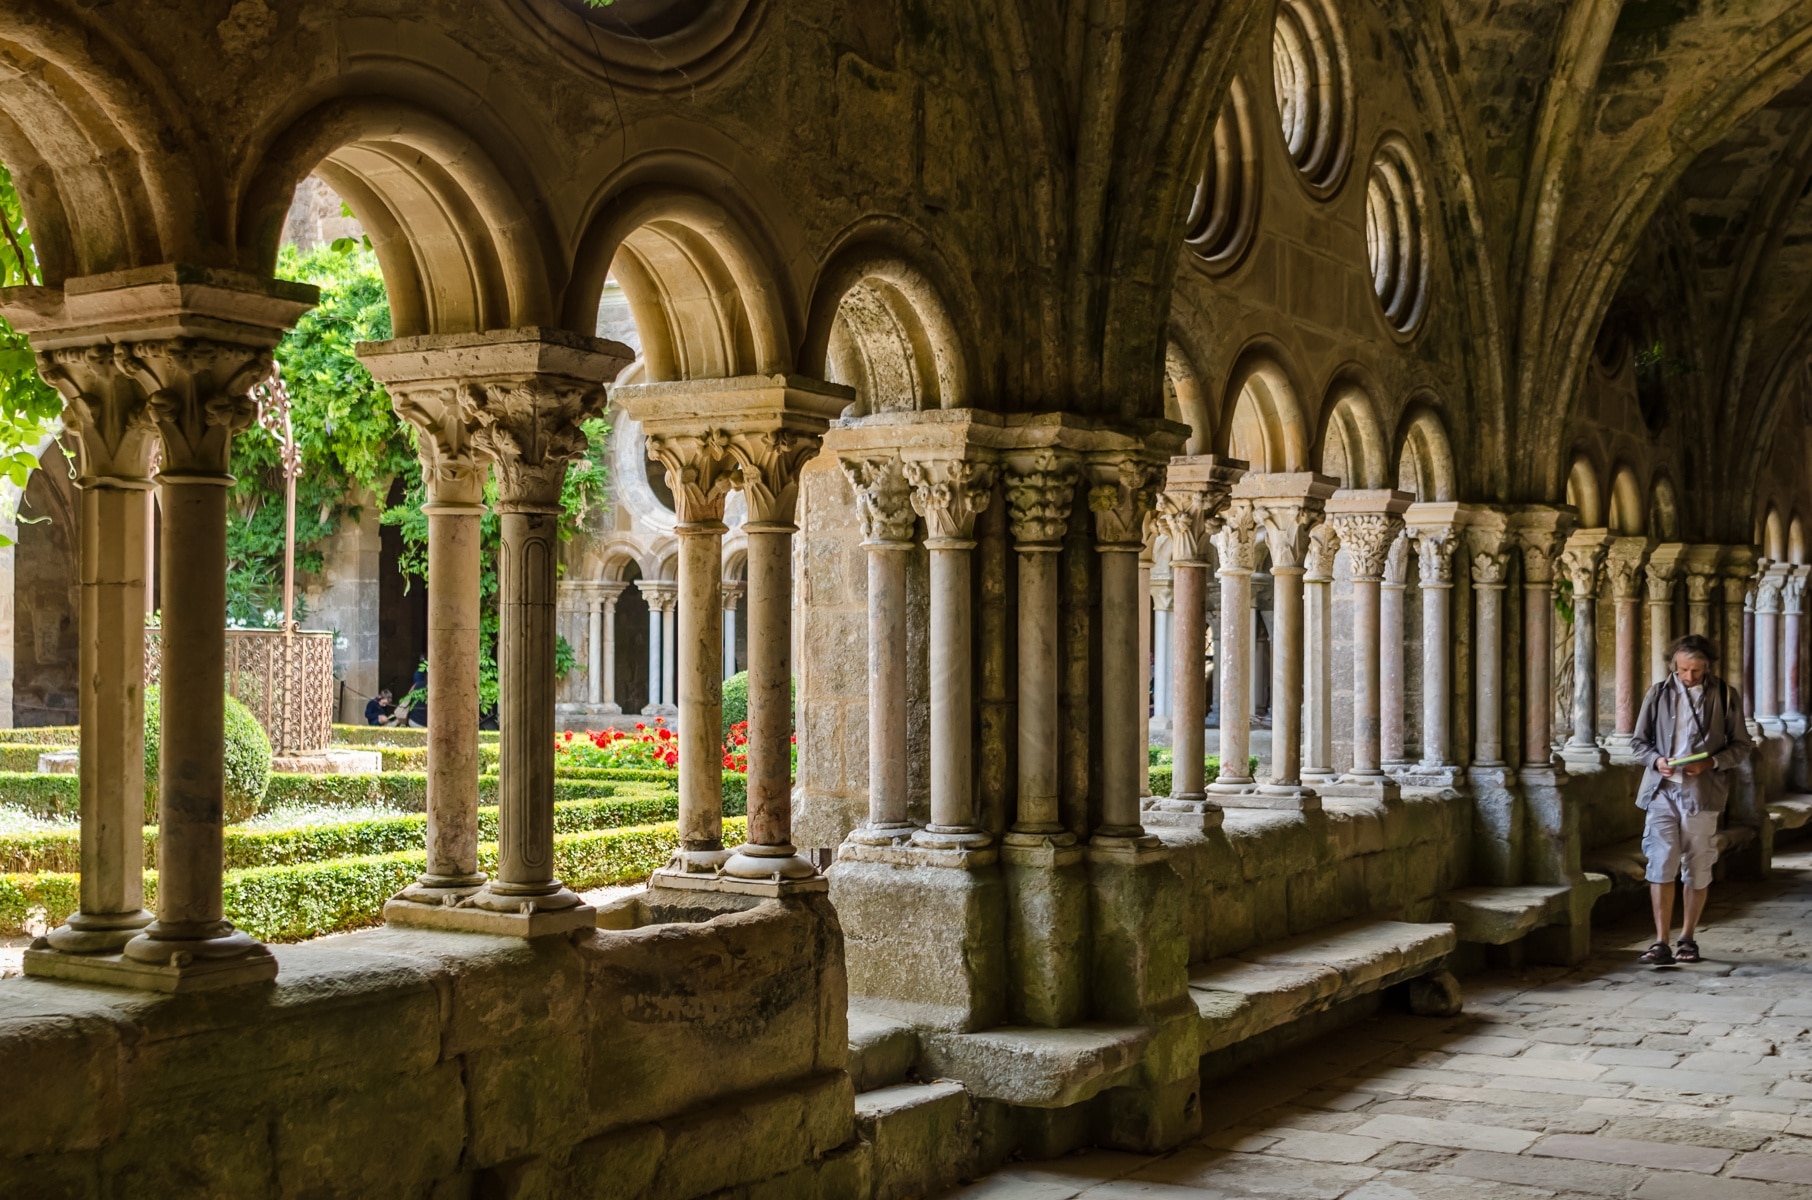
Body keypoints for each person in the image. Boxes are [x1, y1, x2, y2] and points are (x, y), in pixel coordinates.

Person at [1628, 634, 1753, 966]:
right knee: (1661, 860)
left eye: (1696, 671)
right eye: (1683, 669)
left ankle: (1687, 938)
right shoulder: (1657, 694)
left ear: (1708, 667)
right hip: (1661, 791)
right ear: (1674, 664)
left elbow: (1741, 746)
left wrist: (1710, 762)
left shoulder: (1726, 696)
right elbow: (1638, 743)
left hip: (1702, 793)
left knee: (1697, 865)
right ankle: (1660, 942)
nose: (1688, 677)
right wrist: (1657, 761)